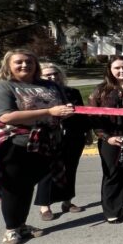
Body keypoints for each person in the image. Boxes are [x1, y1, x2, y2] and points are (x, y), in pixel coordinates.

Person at [0, 50, 72, 244]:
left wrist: (65, 112)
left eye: (29, 61)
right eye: (19, 62)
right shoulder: (3, 87)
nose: (25, 65)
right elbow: (4, 116)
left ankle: (21, 225)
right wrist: (49, 111)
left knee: (27, 186)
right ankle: (11, 230)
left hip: (45, 144)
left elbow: (63, 107)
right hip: (14, 144)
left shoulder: (50, 85)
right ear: (8, 66)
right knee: (13, 188)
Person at [88, 56, 123, 223]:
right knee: (111, 174)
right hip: (110, 139)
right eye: (117, 68)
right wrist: (107, 137)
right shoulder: (101, 90)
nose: (122, 71)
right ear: (110, 70)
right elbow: (93, 116)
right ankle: (112, 210)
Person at [33, 63, 89, 219]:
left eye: (55, 73)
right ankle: (45, 206)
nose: (52, 77)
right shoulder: (36, 94)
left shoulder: (73, 92)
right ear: (39, 76)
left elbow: (82, 115)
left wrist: (87, 132)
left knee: (70, 168)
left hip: (73, 135)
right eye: (47, 75)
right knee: (47, 171)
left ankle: (67, 201)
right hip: (48, 137)